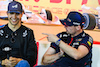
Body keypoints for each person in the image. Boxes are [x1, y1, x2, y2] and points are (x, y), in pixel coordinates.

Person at [0, 1, 37, 67]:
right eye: (11, 13)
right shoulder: (0, 31)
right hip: (2, 64)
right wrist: (2, 62)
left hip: (20, 65)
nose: (14, 17)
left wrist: (19, 61)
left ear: (22, 14)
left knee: (24, 64)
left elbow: (33, 58)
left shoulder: (28, 33)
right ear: (7, 14)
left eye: (17, 14)